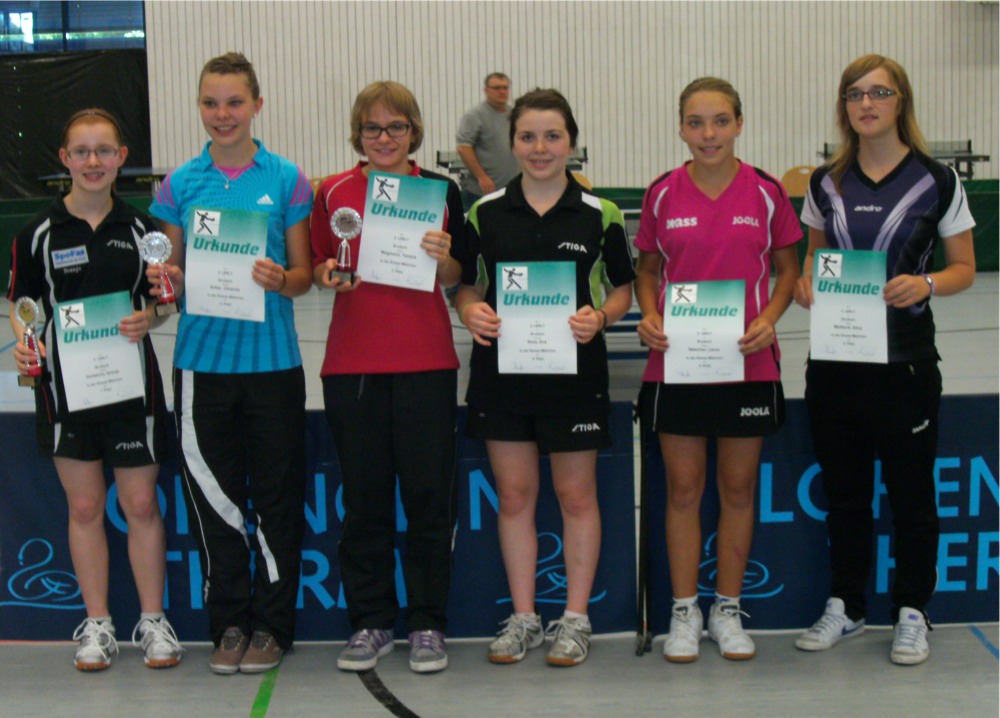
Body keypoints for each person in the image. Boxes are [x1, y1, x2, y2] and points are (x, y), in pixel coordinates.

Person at [792, 55, 975, 666]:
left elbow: (964, 268)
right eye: (854, 94)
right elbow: (812, 258)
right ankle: (846, 605)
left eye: (879, 92)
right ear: (843, 106)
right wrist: (806, 284)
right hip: (836, 363)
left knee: (911, 496)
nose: (866, 104)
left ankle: (912, 611)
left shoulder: (938, 180)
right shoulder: (825, 182)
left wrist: (926, 284)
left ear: (901, 101)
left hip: (906, 366)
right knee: (844, 496)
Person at [456, 88, 635, 667]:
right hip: (503, 375)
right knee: (514, 496)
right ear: (512, 144)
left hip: (575, 376)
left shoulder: (601, 214)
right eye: (528, 136)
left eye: (552, 136)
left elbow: (623, 289)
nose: (540, 148)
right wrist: (470, 311)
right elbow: (467, 285)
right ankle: (525, 618)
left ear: (572, 143)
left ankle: (575, 619)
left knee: (575, 495)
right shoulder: (484, 213)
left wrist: (600, 317)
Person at [147, 52, 313, 675]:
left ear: (256, 105)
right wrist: (165, 284)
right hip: (200, 366)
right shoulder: (179, 184)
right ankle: (230, 624)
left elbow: (302, 276)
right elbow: (169, 278)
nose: (223, 114)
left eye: (235, 102)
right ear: (199, 107)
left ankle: (271, 627)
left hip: (272, 364)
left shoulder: (287, 178)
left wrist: (279, 278)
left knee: (276, 498)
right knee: (214, 502)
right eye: (211, 103)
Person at [7, 108, 182, 672]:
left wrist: (150, 317)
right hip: (66, 392)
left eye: (104, 150)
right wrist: (25, 345)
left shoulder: (143, 231)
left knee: (140, 504)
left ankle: (152, 621)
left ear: (121, 158)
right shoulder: (36, 233)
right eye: (81, 151)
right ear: (64, 159)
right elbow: (24, 307)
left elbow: (163, 301)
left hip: (132, 389)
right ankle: (98, 624)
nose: (92, 161)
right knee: (84, 506)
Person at [634, 78, 801, 663]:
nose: (709, 134)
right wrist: (649, 314)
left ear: (739, 124)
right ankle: (685, 611)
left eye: (721, 121)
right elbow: (647, 271)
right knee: (683, 490)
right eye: (696, 122)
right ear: (681, 127)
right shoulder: (662, 193)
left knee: (737, 489)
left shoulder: (767, 192)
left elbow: (787, 270)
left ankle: (727, 609)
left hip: (746, 364)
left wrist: (771, 319)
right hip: (677, 363)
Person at [310, 81, 464, 675]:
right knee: (365, 504)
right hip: (353, 367)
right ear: (359, 134)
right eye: (373, 128)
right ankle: (370, 621)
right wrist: (328, 273)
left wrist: (444, 255)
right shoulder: (333, 192)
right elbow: (319, 262)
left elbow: (456, 275)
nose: (384, 137)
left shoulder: (441, 191)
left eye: (396, 127)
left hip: (426, 364)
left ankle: (427, 623)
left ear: (413, 132)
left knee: (428, 503)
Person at [456, 72, 520, 210]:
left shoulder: (514, 115)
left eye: (505, 87)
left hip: (510, 191)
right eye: (497, 88)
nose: (502, 91)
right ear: (486, 91)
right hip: (480, 192)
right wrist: (482, 177)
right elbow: (463, 148)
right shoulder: (475, 115)